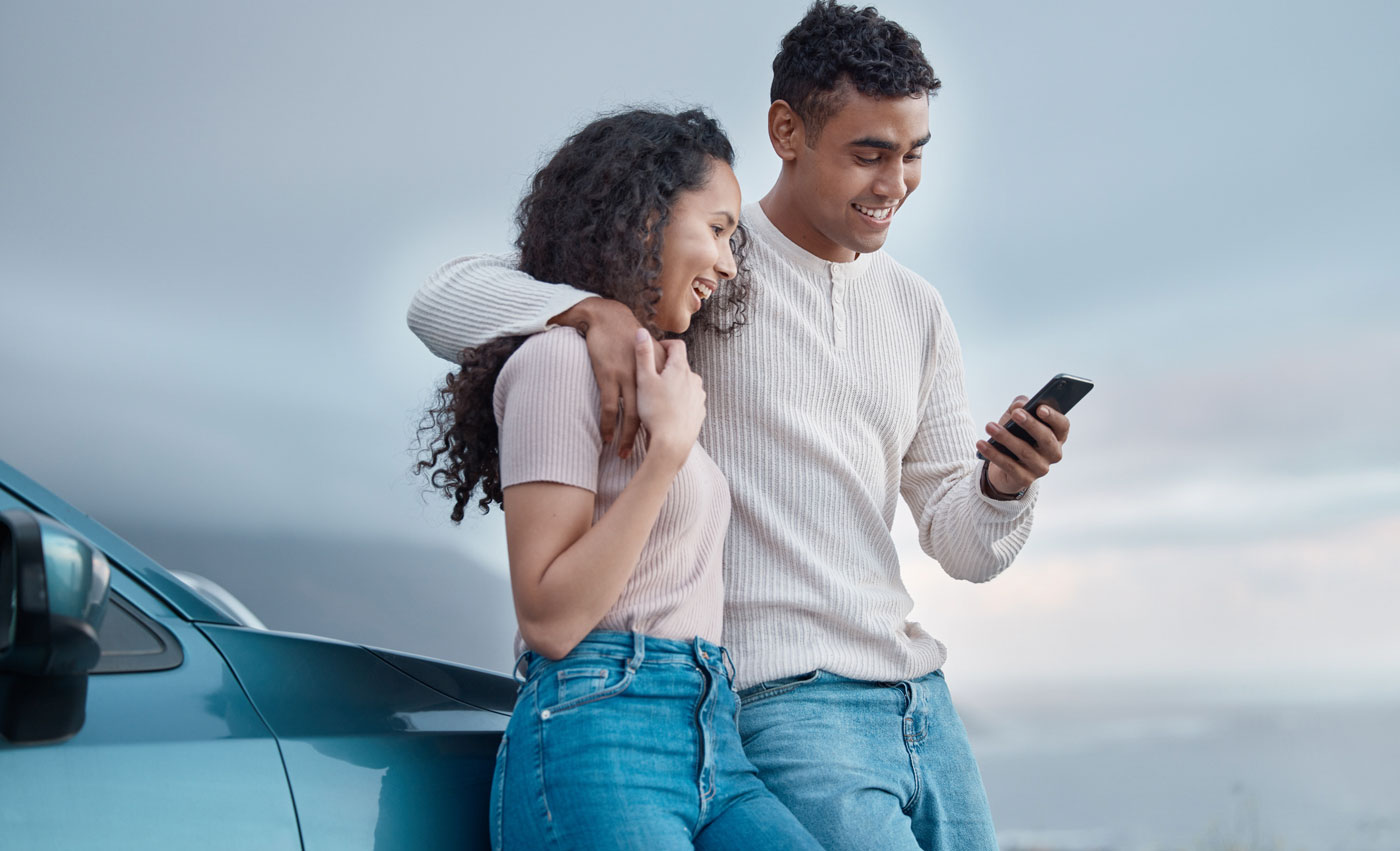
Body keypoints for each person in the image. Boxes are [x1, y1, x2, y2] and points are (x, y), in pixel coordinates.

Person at [410, 4, 1074, 849]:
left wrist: (1004, 487)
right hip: (780, 700)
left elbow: (963, 544)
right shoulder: (701, 262)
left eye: (913, 155)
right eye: (870, 153)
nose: (895, 182)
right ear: (787, 130)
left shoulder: (918, 311)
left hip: (918, 693)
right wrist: (588, 311)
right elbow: (440, 301)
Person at [416, 108, 823, 850]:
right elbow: (549, 617)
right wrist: (664, 454)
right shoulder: (558, 363)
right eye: (717, 229)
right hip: (601, 725)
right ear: (645, 221)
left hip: (711, 730)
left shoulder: (658, 372)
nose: (730, 263)